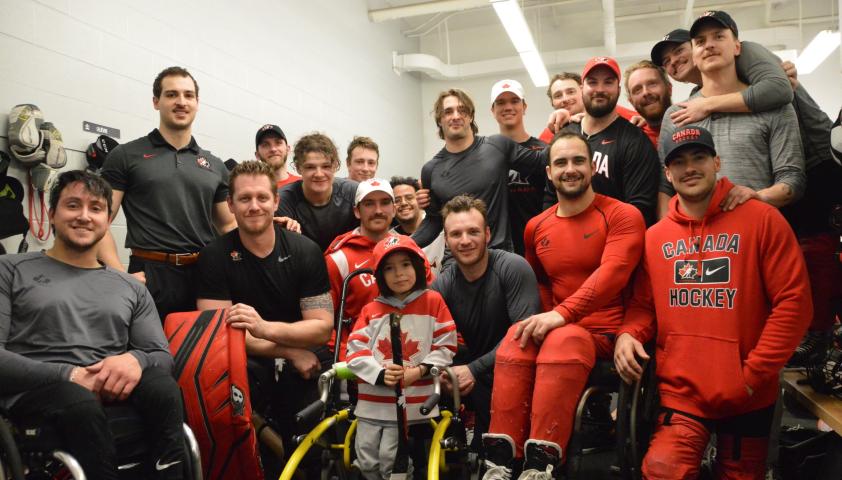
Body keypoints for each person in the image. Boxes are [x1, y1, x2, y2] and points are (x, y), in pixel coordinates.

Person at [614, 126, 811, 479]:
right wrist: (628, 333)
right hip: (683, 392)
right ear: (667, 173)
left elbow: (794, 304)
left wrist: (751, 376)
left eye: (699, 157)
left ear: (717, 161)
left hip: (749, 392)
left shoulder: (763, 220)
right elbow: (645, 305)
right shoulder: (655, 237)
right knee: (662, 470)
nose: (689, 168)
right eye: (679, 162)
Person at [0, 170, 185, 480]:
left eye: (96, 208)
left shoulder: (131, 287)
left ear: (106, 220)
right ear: (52, 214)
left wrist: (134, 359)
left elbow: (160, 354)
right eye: (73, 205)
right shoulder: (10, 269)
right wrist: (70, 374)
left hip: (108, 388)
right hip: (40, 391)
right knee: (79, 403)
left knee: (164, 389)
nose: (84, 216)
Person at [481, 131, 645, 478]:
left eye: (578, 161)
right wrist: (545, 318)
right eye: (561, 163)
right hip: (562, 328)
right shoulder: (536, 226)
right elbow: (540, 280)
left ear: (592, 167)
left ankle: (542, 467)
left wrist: (560, 316)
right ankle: (500, 462)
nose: (570, 169)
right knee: (516, 337)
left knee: (561, 338)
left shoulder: (622, 215)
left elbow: (614, 273)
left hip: (605, 334)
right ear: (549, 172)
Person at [194, 161, 333, 471]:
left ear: (276, 201)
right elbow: (220, 336)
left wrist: (263, 327)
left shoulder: (306, 251)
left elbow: (322, 328)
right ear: (230, 204)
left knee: (306, 448)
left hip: (305, 357)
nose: (254, 206)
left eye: (262, 197)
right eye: (244, 199)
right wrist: (287, 349)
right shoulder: (213, 257)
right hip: (246, 359)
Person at [99, 66, 236, 321]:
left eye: (188, 95)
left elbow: (229, 225)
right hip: (150, 272)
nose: (181, 102)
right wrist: (118, 274)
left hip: (205, 272)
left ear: (197, 103)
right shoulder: (126, 156)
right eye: (172, 94)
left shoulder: (214, 165)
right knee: (150, 356)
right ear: (156, 102)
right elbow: (99, 222)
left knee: (204, 354)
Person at [657, 12, 806, 213]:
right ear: (694, 54)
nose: (709, 45)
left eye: (719, 36)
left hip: (757, 230)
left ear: (737, 46)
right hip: (696, 239)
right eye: (700, 41)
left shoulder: (775, 105)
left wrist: (760, 196)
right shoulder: (676, 114)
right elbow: (665, 185)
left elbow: (792, 178)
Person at [432, 195, 541, 452]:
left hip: (524, 369)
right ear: (446, 241)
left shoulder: (513, 267)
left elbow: (522, 337)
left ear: (488, 234)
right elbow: (424, 336)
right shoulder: (444, 284)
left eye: (473, 232)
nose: (466, 240)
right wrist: (447, 374)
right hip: (481, 376)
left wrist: (473, 369)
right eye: (456, 234)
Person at [346, 234, 457, 480]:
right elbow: (354, 351)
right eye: (389, 268)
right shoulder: (370, 310)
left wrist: (419, 371)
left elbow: (447, 345)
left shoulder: (433, 302)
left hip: (413, 405)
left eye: (406, 265)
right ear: (380, 276)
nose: (399, 274)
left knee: (391, 462)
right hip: (371, 404)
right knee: (365, 460)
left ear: (418, 266)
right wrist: (379, 374)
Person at [413, 88, 547, 254]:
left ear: (470, 116)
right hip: (457, 261)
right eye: (448, 112)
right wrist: (398, 244)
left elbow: (543, 161)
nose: (456, 116)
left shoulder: (498, 146)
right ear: (439, 119)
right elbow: (434, 222)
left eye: (462, 110)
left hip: (499, 256)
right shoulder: (430, 170)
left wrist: (570, 125)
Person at [543, 56, 660, 227]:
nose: (600, 89)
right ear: (582, 88)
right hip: (567, 240)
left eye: (608, 82)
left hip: (615, 242)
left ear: (618, 90)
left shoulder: (636, 141)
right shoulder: (564, 136)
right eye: (592, 82)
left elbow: (640, 211)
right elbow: (550, 197)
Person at [325, 179, 433, 357]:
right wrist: (349, 358)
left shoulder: (411, 251)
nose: (378, 211)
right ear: (357, 211)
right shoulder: (339, 259)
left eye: (384, 203)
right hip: (359, 365)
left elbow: (432, 304)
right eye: (369, 204)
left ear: (394, 208)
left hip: (413, 360)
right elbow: (324, 324)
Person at [490, 79, 548, 256]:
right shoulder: (486, 153)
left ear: (524, 106)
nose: (508, 107)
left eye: (514, 101)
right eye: (501, 102)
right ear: (492, 110)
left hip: (539, 243)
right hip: (497, 248)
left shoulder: (544, 151)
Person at [277, 133, 359, 251]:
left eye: (326, 166)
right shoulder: (283, 201)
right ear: (298, 167)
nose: (319, 174)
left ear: (335, 166)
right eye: (310, 167)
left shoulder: (354, 193)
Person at [390, 176, 445, 274]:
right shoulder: (388, 239)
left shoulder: (441, 229)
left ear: (419, 200)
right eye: (397, 200)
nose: (403, 203)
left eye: (409, 198)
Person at [624, 60, 672, 147]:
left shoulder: (694, 122)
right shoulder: (630, 140)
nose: (645, 93)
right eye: (637, 89)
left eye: (652, 84)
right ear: (631, 102)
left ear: (669, 89)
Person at [255, 124, 301, 189]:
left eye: (278, 143)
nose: (273, 149)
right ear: (257, 155)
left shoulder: (304, 186)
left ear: (288, 149)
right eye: (265, 145)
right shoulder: (251, 189)